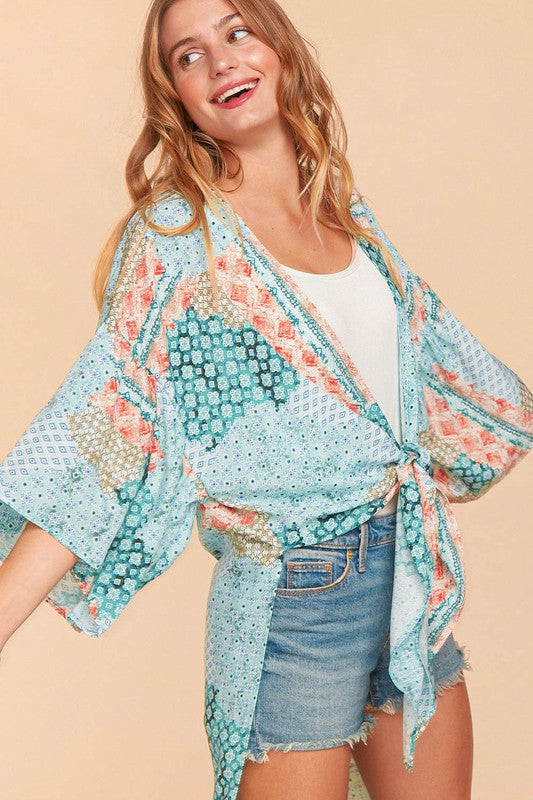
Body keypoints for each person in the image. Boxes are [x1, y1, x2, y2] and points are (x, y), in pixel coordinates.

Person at [1, 2, 532, 799]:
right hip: (295, 600)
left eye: (237, 32)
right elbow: (110, 422)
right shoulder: (179, 238)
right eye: (188, 55)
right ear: (177, 96)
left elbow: (437, 376)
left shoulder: (345, 217)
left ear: (279, 49)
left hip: (409, 580)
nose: (220, 61)